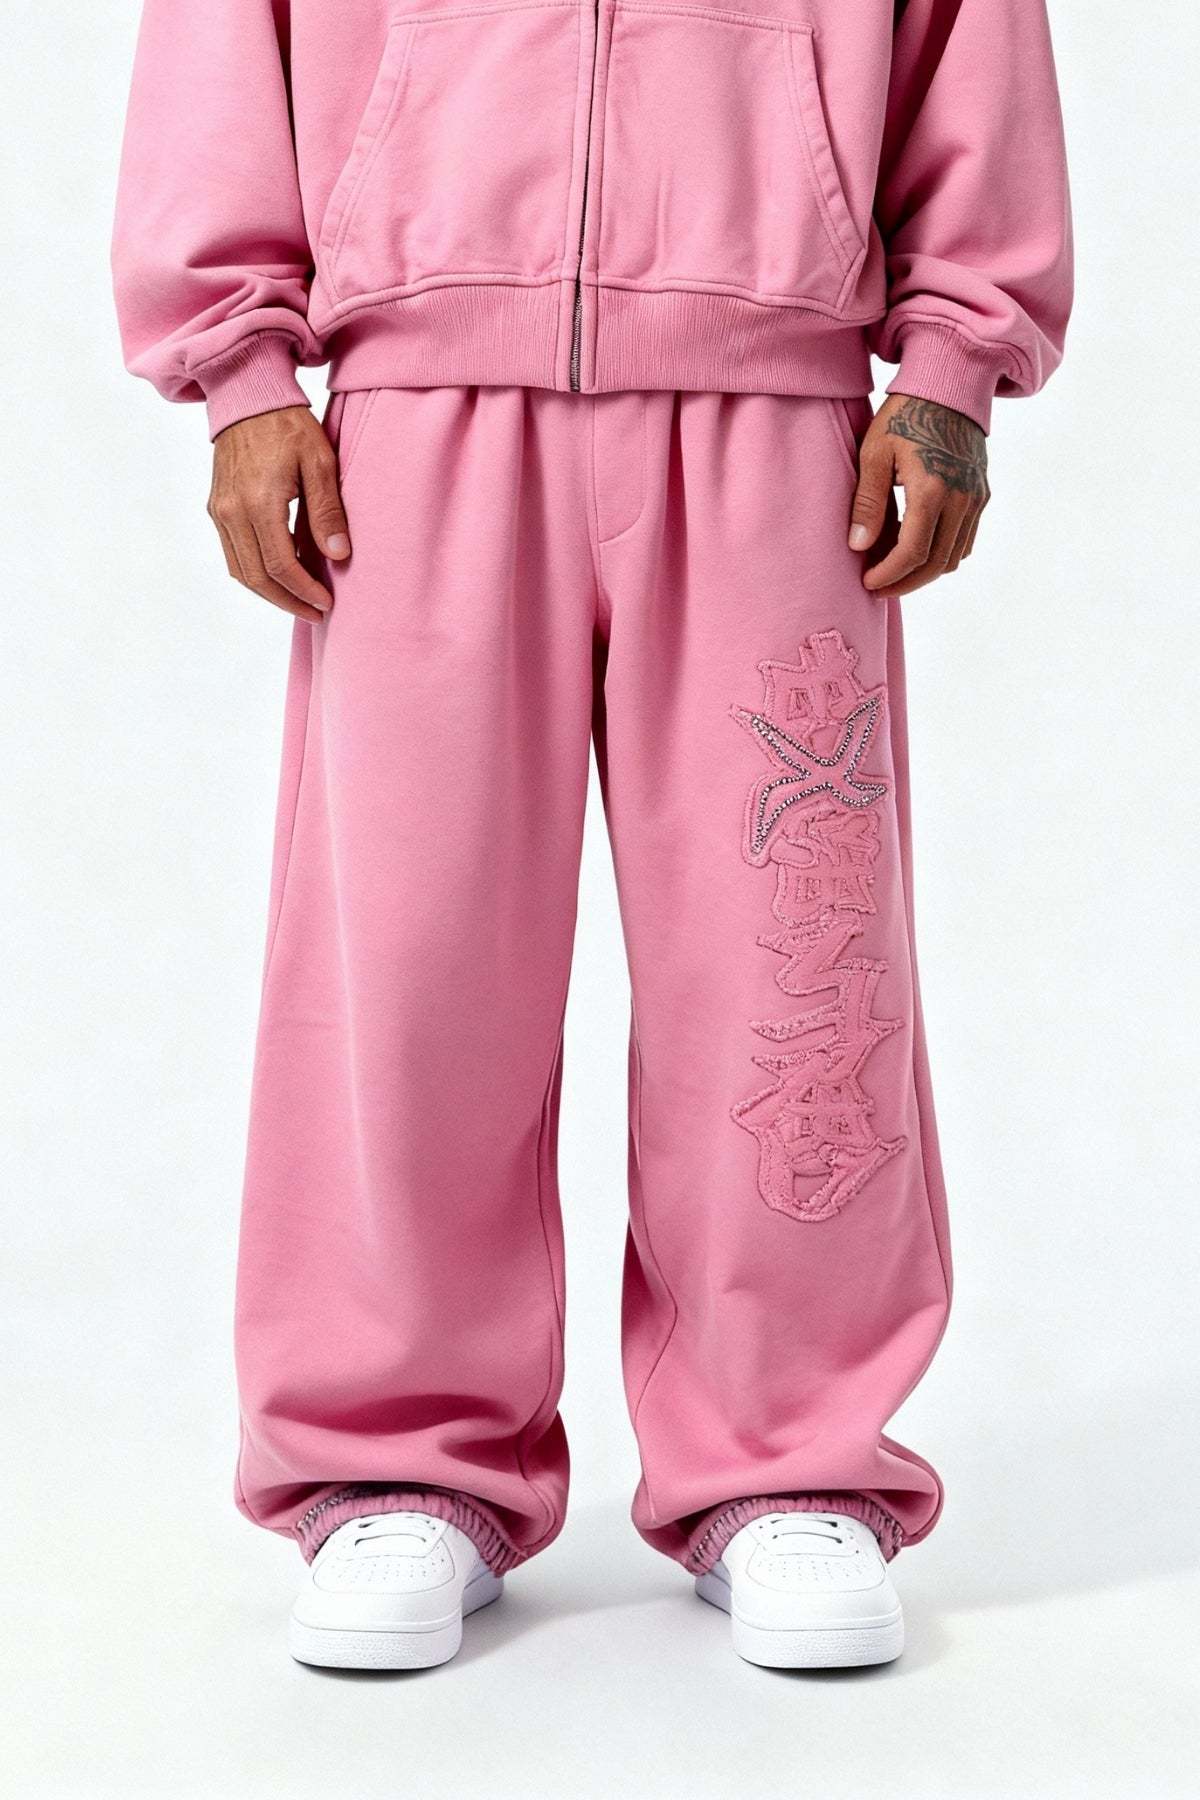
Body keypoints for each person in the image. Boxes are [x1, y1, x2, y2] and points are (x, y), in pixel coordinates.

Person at [112, 0, 1071, 1671]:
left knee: (796, 968)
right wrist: (243, 374)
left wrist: (951, 367)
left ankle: (790, 1459)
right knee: (404, 961)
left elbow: (969, 35)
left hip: (780, 409)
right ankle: (396, 1463)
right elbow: (220, 37)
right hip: (417, 415)